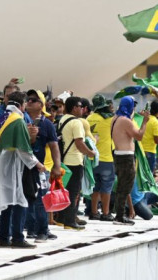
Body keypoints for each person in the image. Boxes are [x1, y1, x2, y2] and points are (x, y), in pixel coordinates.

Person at [0, 91, 45, 249]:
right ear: (22, 104)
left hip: (0, 164)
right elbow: (24, 150)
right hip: (12, 165)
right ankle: (17, 238)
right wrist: (37, 164)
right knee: (20, 201)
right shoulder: (18, 120)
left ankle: (3, 238)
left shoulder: (2, 117)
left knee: (7, 202)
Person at [24, 89, 60, 242]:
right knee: (26, 199)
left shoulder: (47, 124)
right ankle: (30, 229)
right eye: (28, 100)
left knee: (40, 199)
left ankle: (42, 231)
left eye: (33, 100)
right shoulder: (20, 120)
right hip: (22, 167)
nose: (29, 102)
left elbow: (54, 147)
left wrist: (57, 167)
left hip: (40, 168)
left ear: (41, 105)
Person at [58, 96, 96, 230]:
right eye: (81, 106)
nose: (83, 109)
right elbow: (79, 143)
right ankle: (69, 221)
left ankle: (61, 218)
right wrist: (91, 153)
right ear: (74, 108)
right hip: (74, 161)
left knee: (65, 190)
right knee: (73, 192)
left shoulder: (63, 119)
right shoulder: (77, 123)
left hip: (64, 160)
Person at [110, 97, 149, 225]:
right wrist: (145, 122)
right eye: (133, 106)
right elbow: (139, 136)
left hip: (118, 154)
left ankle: (119, 215)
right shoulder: (125, 121)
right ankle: (120, 216)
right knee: (125, 187)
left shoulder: (115, 119)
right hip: (126, 156)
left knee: (122, 186)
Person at [86, 94, 115, 221]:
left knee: (95, 186)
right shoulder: (109, 120)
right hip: (106, 158)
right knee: (107, 186)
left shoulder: (89, 118)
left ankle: (93, 212)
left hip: (91, 158)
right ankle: (106, 212)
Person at [139, 98, 158, 172]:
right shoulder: (155, 122)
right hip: (150, 152)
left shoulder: (144, 118)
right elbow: (157, 140)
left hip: (140, 150)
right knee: (149, 175)